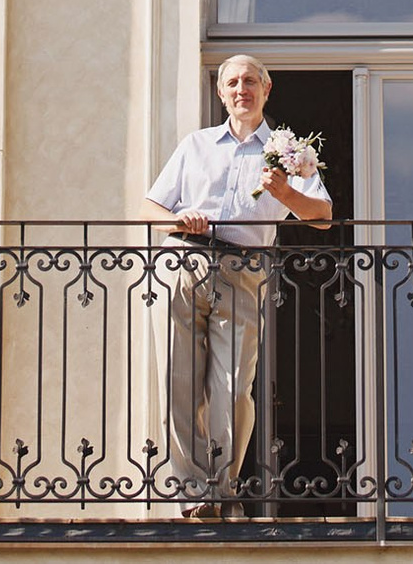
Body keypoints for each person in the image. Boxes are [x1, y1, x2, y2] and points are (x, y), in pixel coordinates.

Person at [141, 54, 331, 519]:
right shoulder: (197, 145)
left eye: (250, 81)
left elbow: (323, 217)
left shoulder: (290, 151)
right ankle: (193, 495)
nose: (241, 89)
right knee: (178, 382)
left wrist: (285, 193)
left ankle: (221, 489)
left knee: (231, 388)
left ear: (267, 91)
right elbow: (151, 207)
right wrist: (179, 218)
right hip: (184, 260)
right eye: (232, 82)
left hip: (244, 270)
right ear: (221, 93)